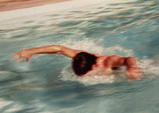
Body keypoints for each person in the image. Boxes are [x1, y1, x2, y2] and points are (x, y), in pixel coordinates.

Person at [14, 45, 142, 80]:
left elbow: (129, 59)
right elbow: (60, 49)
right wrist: (31, 51)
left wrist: (132, 68)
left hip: (141, 71)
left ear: (95, 66)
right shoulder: (79, 56)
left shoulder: (108, 61)